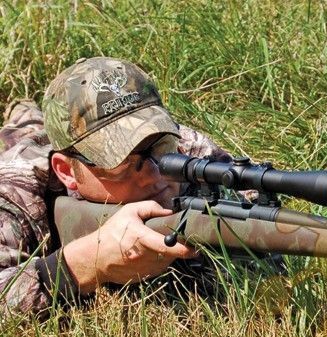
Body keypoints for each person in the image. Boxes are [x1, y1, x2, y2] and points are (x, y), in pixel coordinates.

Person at [0, 56, 239, 314]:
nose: (153, 174)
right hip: (28, 150)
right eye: (120, 163)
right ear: (67, 171)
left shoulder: (189, 149)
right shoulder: (15, 189)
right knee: (23, 129)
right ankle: (23, 108)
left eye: (160, 148)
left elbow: (249, 203)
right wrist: (81, 264)